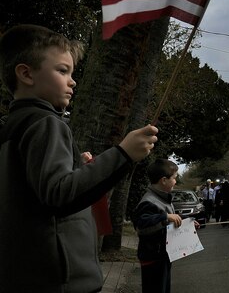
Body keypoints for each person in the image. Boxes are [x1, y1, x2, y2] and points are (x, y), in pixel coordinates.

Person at [0, 24, 157, 292]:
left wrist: (80, 168)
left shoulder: (10, 127)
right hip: (61, 281)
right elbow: (59, 193)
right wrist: (122, 154)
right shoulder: (46, 124)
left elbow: (30, 193)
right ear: (26, 73)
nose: (72, 80)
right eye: (62, 70)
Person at [133, 159, 197, 293]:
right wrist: (165, 217)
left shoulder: (162, 197)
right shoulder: (148, 201)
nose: (175, 181)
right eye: (174, 178)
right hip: (153, 258)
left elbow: (170, 216)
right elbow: (141, 223)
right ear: (163, 180)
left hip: (162, 255)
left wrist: (186, 222)